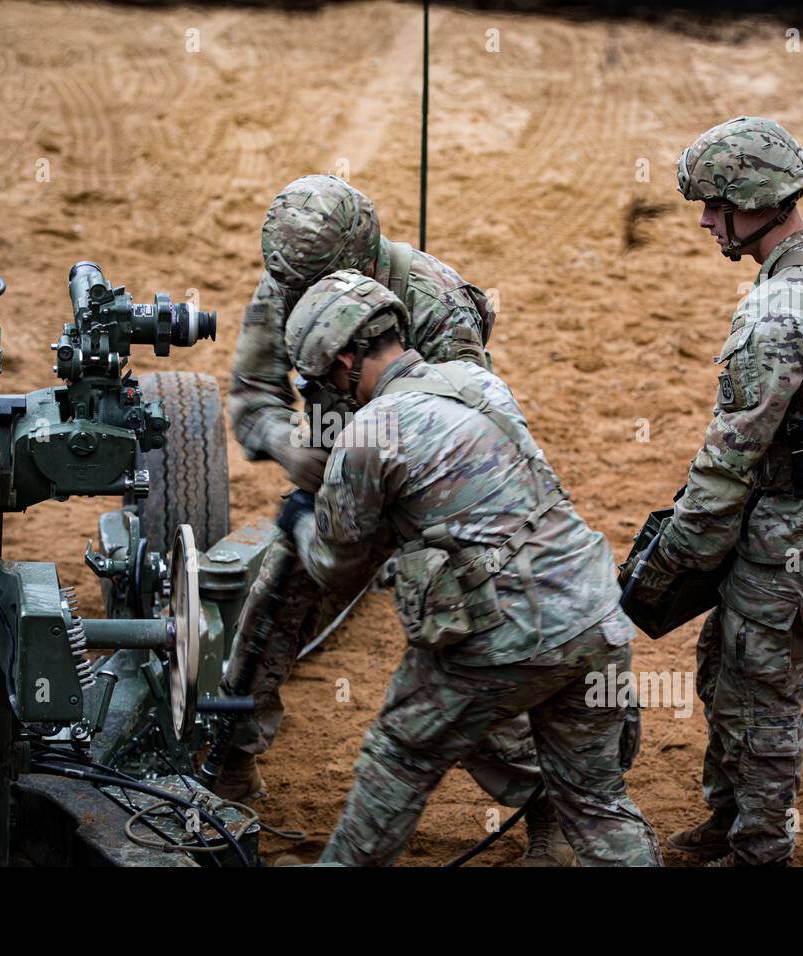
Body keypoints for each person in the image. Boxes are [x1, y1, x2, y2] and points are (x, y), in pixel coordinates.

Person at [220, 176, 573, 864]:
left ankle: (545, 804)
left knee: (462, 642)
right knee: (274, 596)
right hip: (335, 479)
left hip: (426, 493)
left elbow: (468, 419)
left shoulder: (434, 301)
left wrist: (377, 469)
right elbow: (252, 398)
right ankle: (231, 753)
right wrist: (300, 454)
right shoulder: (287, 288)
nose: (294, 300)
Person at [279, 270, 662, 867]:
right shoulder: (478, 381)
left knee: (400, 754)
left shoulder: (368, 433)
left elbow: (335, 565)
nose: (324, 390)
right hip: (594, 613)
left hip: (506, 635)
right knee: (595, 801)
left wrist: (301, 519)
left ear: (347, 356)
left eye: (320, 375)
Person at [622, 116, 803, 867]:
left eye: (715, 205)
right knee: (726, 661)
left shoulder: (776, 315)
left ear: (756, 199)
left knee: (762, 687)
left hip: (802, 532)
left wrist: (675, 558)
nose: (706, 221)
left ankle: (758, 849)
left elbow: (726, 465)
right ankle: (729, 818)